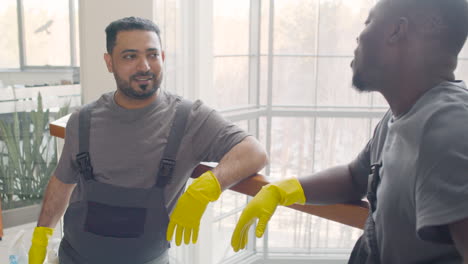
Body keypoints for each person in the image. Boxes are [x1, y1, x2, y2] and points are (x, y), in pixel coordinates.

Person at [231, 0, 468, 263]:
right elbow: (354, 177)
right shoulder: (403, 116)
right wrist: (280, 190)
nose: (359, 35)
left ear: (396, 32)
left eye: (369, 22)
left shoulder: (449, 128)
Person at [28, 16, 268, 264]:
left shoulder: (189, 119)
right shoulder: (83, 120)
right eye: (130, 56)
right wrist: (40, 236)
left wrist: (205, 188)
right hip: (74, 258)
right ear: (109, 62)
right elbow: (61, 183)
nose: (144, 66)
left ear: (162, 57)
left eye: (152, 55)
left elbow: (254, 152)